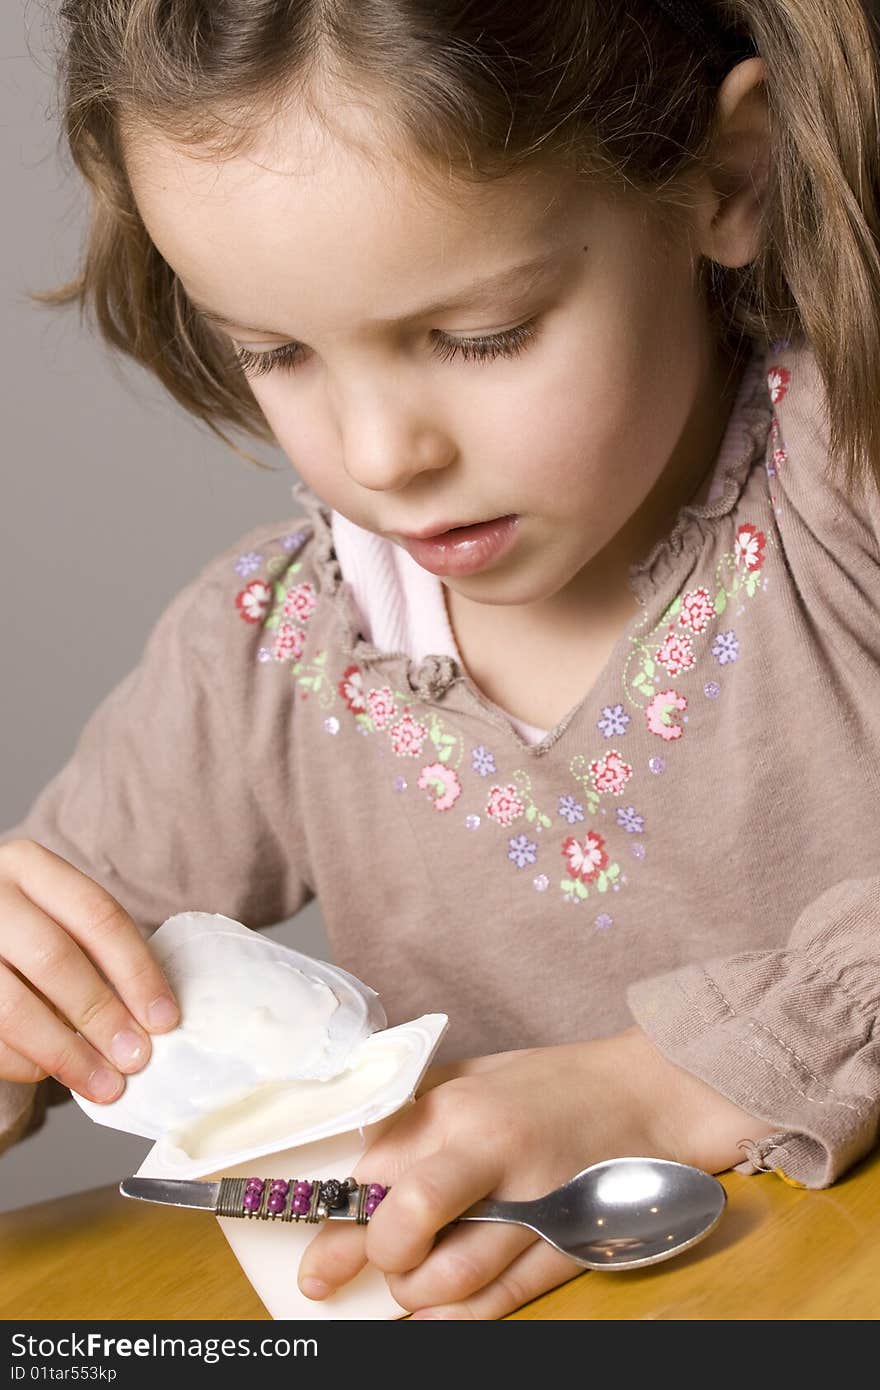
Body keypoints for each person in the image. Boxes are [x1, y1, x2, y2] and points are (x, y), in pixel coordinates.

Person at [2, 0, 880, 1319]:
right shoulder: (269, 656)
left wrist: (658, 1081)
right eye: (275, 353)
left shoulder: (847, 488)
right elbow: (54, 974)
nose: (379, 453)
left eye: (480, 336)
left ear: (727, 178)